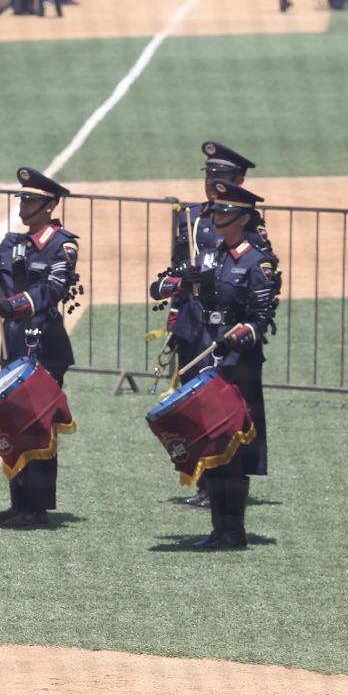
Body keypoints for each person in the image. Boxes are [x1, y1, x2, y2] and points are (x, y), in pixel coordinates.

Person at [151, 141, 274, 508]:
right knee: (195, 404)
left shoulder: (246, 221)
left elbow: (255, 267)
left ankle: (230, 484)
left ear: (238, 180)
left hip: (228, 328)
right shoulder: (190, 217)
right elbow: (177, 267)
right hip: (194, 325)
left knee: (233, 407)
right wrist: (177, 307)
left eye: (221, 176)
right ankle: (205, 480)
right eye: (210, 175)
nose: (212, 183)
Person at [0, 167, 79, 526]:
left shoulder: (64, 244)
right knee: (13, 424)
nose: (23, 205)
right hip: (14, 346)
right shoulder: (11, 242)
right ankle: (19, 502)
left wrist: (15, 305)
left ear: (49, 205)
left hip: (45, 346)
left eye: (31, 200)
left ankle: (37, 506)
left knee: (38, 425)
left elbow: (53, 290)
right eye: (22, 199)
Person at [185, 180, 278, 549]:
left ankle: (234, 529)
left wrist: (235, 337)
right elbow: (174, 287)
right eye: (217, 211)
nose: (217, 217)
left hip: (239, 366)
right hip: (210, 359)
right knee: (213, 443)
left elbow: (261, 318)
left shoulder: (259, 262)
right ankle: (217, 527)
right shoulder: (211, 255)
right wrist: (175, 283)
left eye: (225, 212)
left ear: (244, 217)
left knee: (235, 446)